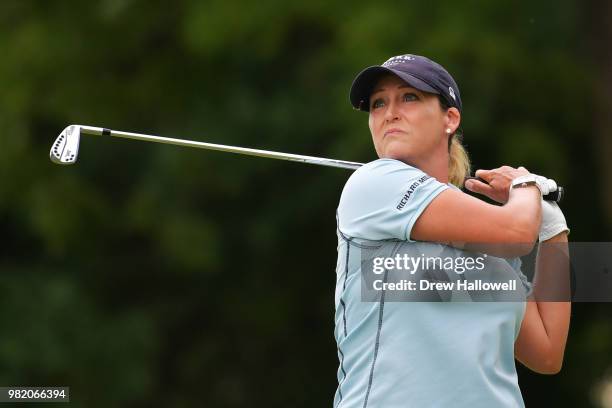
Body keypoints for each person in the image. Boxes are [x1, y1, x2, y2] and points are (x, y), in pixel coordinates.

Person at [333, 54, 571, 407]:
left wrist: (552, 229)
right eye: (378, 103)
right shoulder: (373, 184)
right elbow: (519, 233)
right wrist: (525, 188)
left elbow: (548, 351)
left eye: (409, 97)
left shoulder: (488, 234)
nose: (389, 112)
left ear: (450, 118)